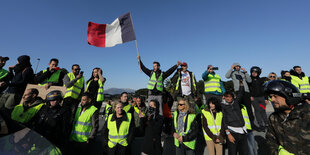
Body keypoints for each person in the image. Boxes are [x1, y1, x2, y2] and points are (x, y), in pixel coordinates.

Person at [264, 80, 310, 154]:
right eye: (271, 97)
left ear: (288, 95)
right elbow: (271, 140)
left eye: (275, 96)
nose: (272, 100)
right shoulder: (274, 118)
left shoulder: (306, 113)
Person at [225, 63, 254, 127]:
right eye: (236, 66)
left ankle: (252, 124)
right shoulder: (232, 73)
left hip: (246, 91)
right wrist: (231, 69)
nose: (237, 67)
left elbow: (249, 81)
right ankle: (241, 123)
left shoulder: (243, 73)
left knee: (249, 108)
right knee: (238, 108)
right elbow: (226, 76)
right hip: (238, 91)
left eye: (238, 66)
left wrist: (246, 72)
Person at [248, 66, 268, 131]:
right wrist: (250, 96)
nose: (254, 73)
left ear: (258, 73)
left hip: (262, 98)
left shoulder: (261, 80)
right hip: (254, 99)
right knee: (257, 111)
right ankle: (261, 125)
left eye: (255, 72)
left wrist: (266, 98)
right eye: (252, 72)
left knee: (263, 110)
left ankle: (267, 124)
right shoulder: (249, 80)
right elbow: (247, 89)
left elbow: (265, 90)